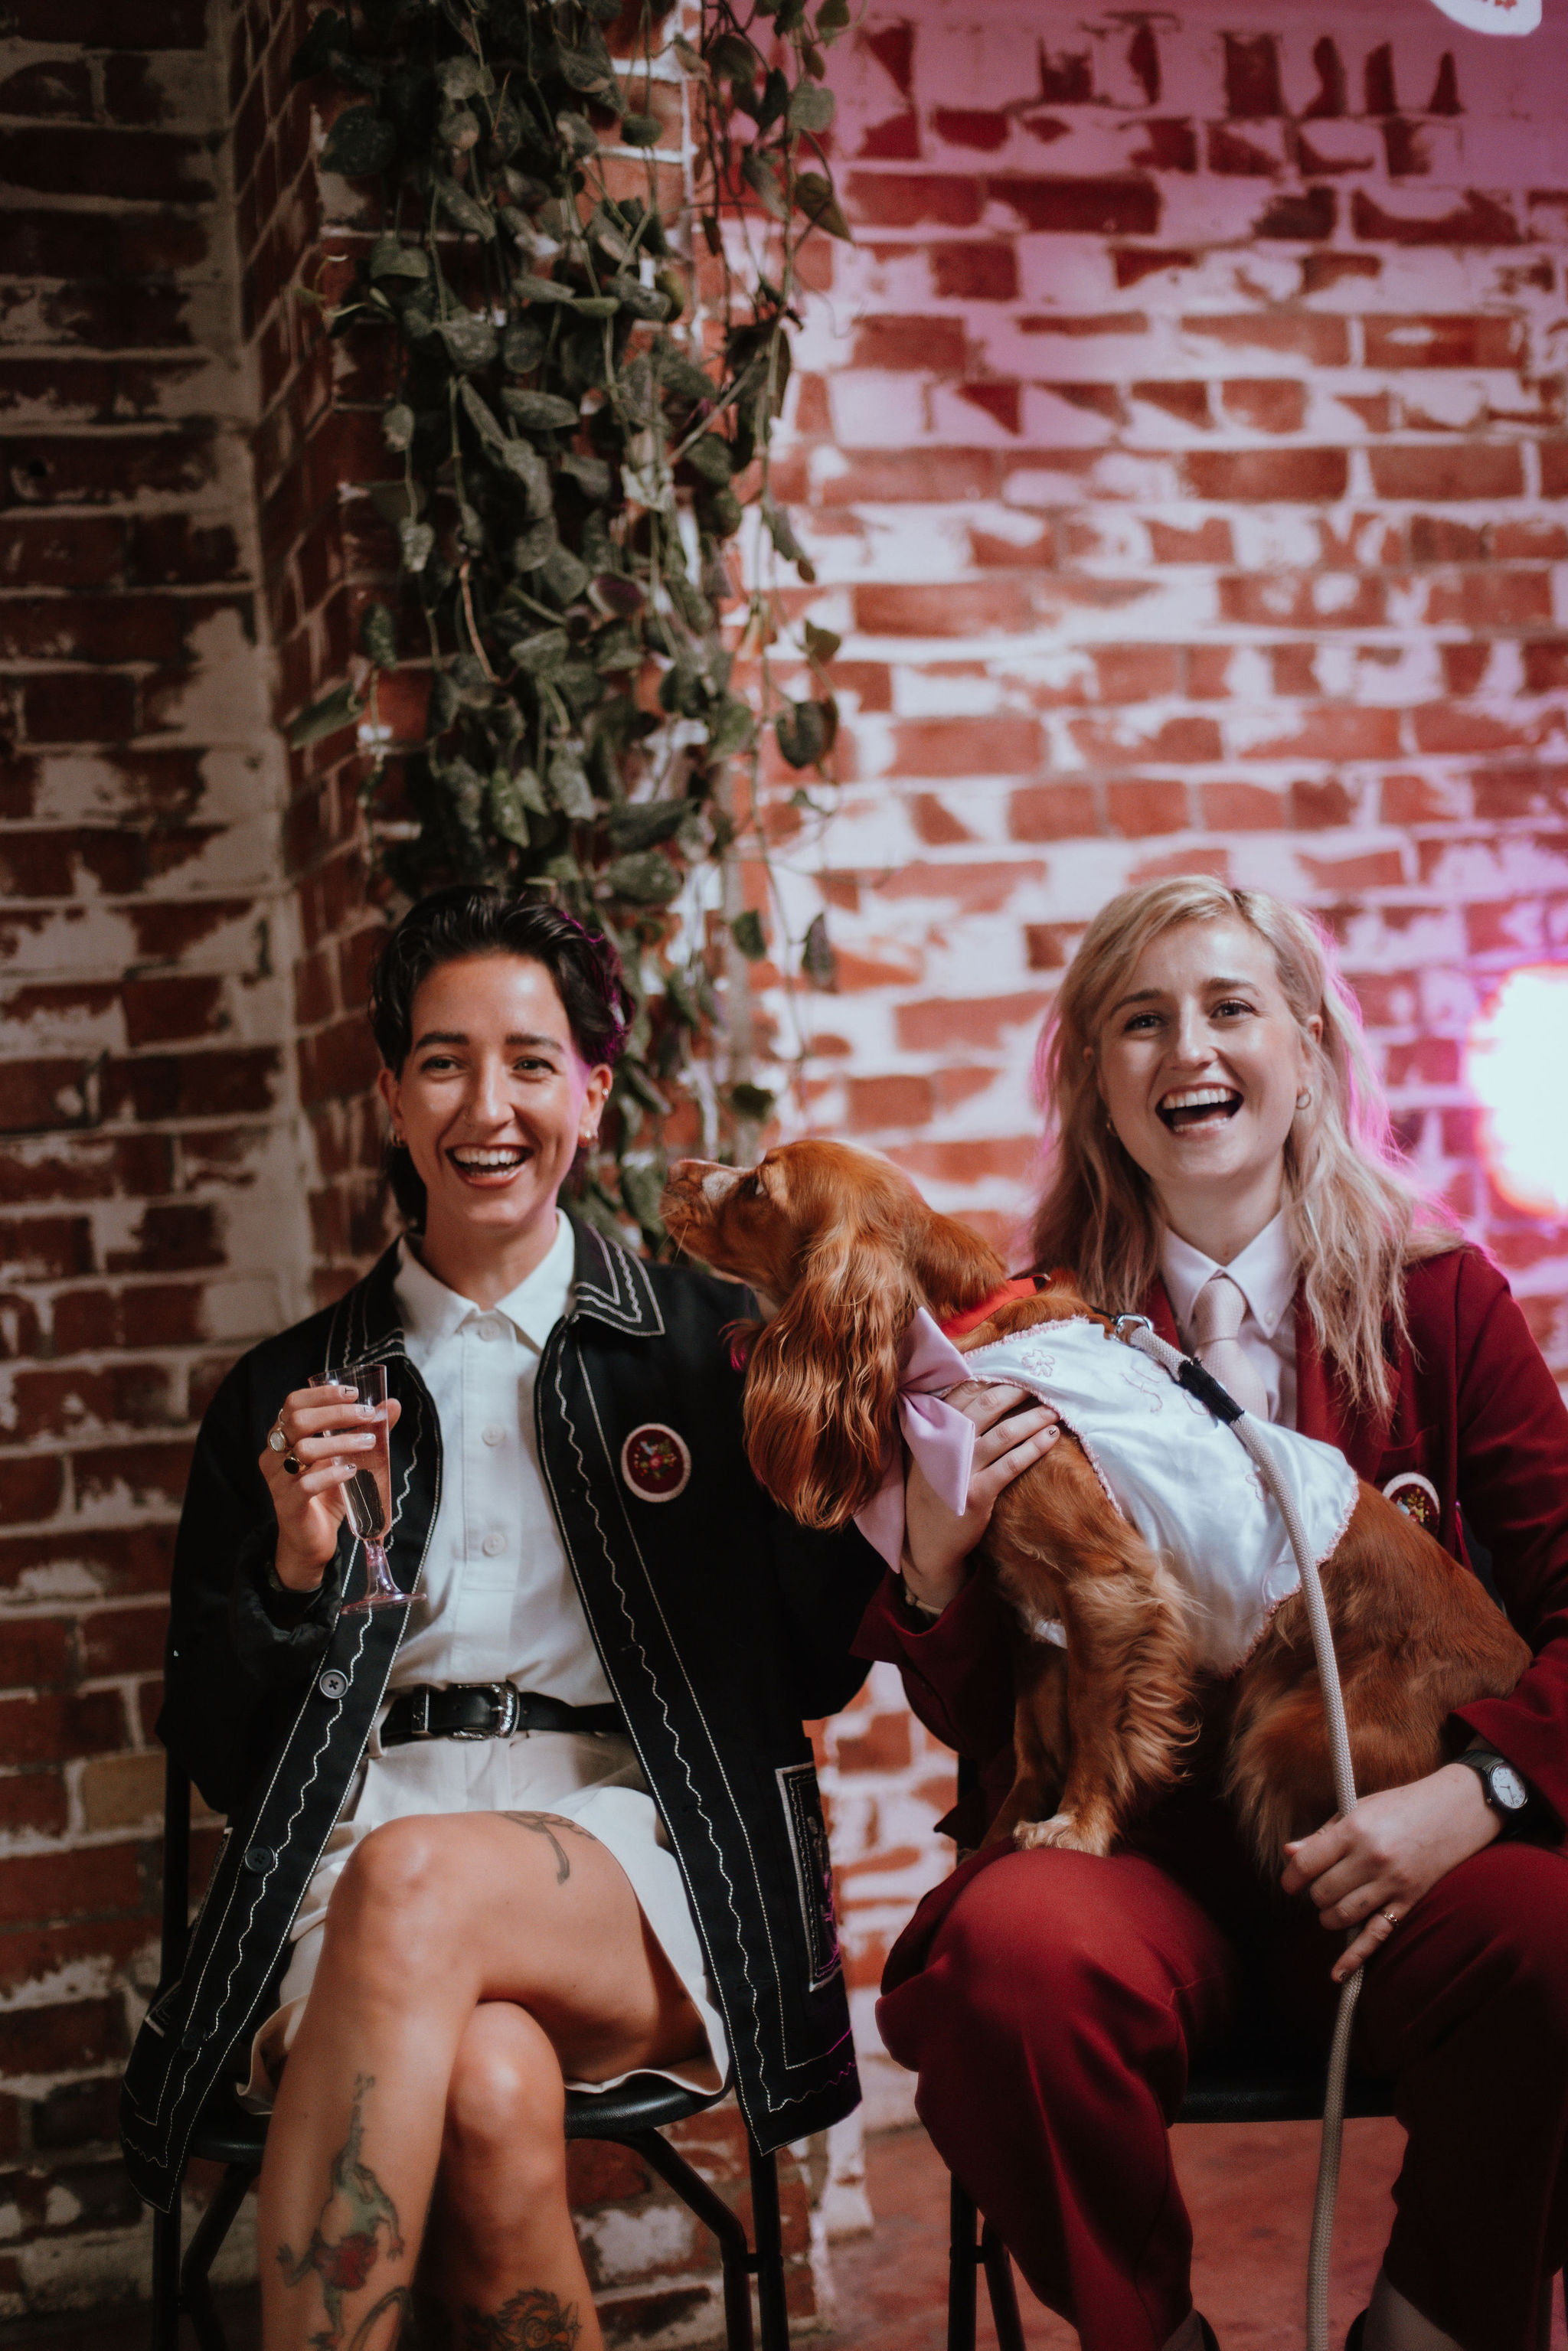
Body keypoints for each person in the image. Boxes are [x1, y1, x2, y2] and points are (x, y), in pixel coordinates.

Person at [120, 887, 880, 2351]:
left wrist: (852, 1460)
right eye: (444, 1063)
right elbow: (218, 1751)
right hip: (350, 1857)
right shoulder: (286, 1392)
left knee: (414, 1884)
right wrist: (295, 1575)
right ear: (391, 1096)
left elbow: (813, 1667)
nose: (488, 1106)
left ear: (590, 1094)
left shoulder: (705, 1352)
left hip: (637, 1856)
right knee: (490, 2085)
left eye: (531, 1063)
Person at [858, 876, 1568, 2351]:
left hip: (1396, 1858)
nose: (1189, 1049)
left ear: (1306, 1047)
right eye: (1142, 1021)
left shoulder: (1447, 1307)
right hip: (1142, 1876)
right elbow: (986, 1721)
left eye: (1230, 1008)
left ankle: (1431, 2325)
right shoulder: (1025, 1342)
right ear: (1093, 1083)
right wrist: (933, 1573)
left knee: (1560, 1936)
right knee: (1008, 1965)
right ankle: (1156, 2337)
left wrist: (1481, 1792)